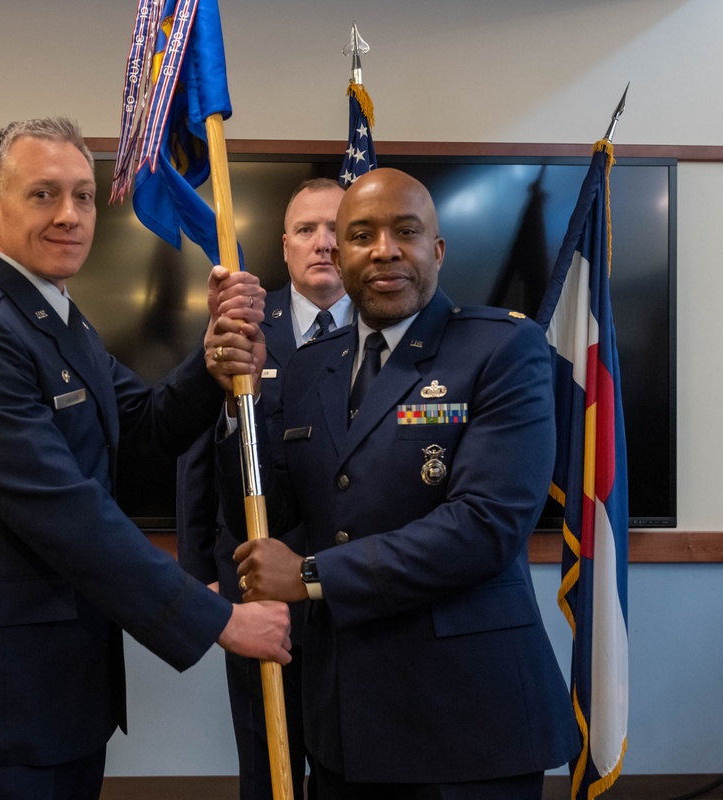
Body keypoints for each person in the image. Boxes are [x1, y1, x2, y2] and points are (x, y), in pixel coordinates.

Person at [0, 116, 290, 800]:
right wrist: (219, 619)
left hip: (62, 690)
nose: (71, 215)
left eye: (83, 195)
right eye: (44, 195)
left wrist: (212, 356)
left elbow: (143, 429)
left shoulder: (58, 318)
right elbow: (63, 509)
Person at [220, 168, 579, 799]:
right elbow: (272, 512)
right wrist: (234, 406)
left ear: (436, 250)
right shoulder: (307, 367)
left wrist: (308, 574)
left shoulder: (502, 349)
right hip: (344, 719)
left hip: (464, 716)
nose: (384, 249)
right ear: (340, 253)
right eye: (361, 234)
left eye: (405, 231)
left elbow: (485, 527)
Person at [176, 177, 350, 800]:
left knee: (353, 762)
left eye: (338, 228)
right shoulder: (244, 326)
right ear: (284, 246)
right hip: (253, 591)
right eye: (307, 230)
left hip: (347, 590)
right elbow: (196, 460)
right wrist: (204, 575)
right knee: (266, 764)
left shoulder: (389, 335)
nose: (323, 244)